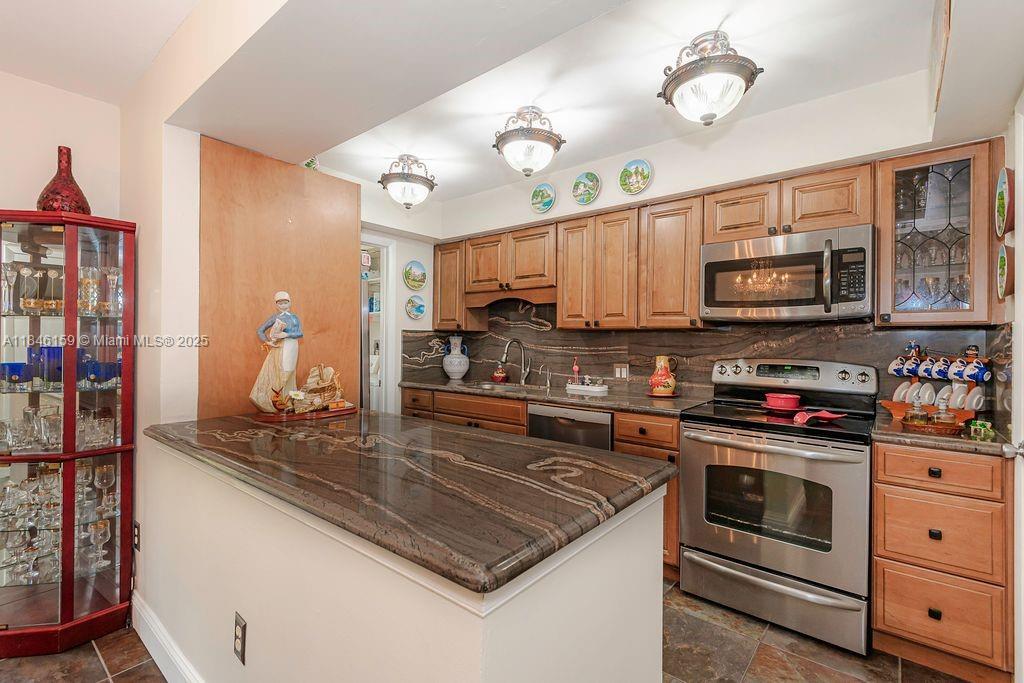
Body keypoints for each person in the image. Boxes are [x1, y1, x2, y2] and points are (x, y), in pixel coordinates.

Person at [249, 291, 304, 412]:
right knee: (284, 371)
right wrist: (268, 341)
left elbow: (300, 333)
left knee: (291, 373)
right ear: (276, 304)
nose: (283, 305)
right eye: (280, 303)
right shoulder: (275, 317)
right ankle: (277, 401)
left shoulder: (294, 317)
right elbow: (260, 330)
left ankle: (289, 401)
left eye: (285, 302)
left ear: (290, 302)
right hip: (282, 347)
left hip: (293, 346)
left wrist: (287, 333)